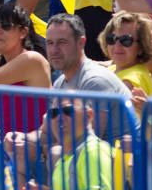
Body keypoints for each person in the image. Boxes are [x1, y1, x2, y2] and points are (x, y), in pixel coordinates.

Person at [45, 14, 132, 142]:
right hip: (86, 154)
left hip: (117, 158)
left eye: (62, 42)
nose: (54, 50)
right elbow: (47, 133)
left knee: (54, 153)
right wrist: (22, 139)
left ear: (81, 43)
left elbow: (89, 140)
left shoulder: (95, 81)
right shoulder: (59, 83)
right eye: (50, 43)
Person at [0, 0, 52, 135]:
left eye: (5, 26)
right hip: (9, 150)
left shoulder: (32, 60)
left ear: (23, 32)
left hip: (37, 150)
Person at [98, 11, 152, 102]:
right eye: (111, 39)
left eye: (126, 40)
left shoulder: (130, 81)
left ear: (141, 46)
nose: (117, 46)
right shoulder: (114, 69)